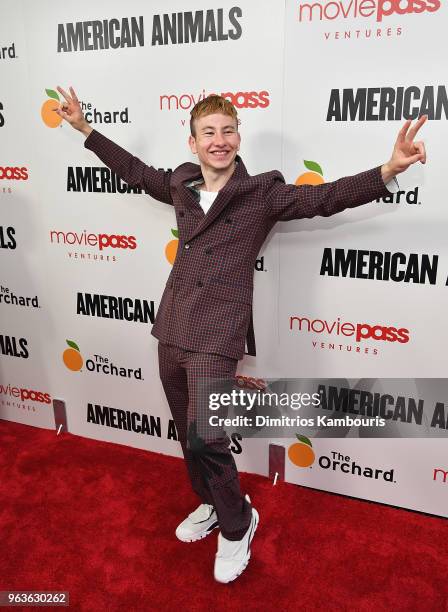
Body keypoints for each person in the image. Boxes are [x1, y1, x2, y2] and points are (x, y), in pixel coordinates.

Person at [55, 86, 426, 583]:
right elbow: (137, 172)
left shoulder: (261, 193)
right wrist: (85, 130)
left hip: (218, 331)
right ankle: (210, 502)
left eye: (228, 131)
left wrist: (387, 170)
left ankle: (237, 524)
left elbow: (324, 197)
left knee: (207, 437)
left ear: (238, 137)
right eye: (209, 132)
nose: (219, 140)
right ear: (193, 142)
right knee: (188, 437)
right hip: (172, 325)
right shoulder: (181, 183)